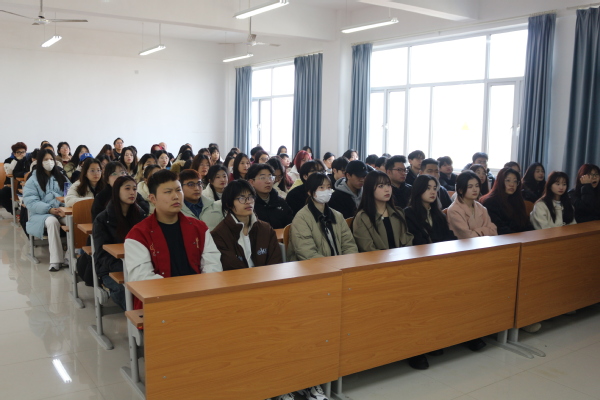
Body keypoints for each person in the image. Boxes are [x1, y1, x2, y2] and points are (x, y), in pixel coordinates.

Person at [124, 170, 222, 309]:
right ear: (153, 198)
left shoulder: (199, 228)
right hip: (160, 302)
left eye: (178, 190)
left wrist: (201, 290)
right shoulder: (138, 235)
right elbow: (142, 279)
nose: (176, 196)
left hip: (199, 296)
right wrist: (180, 293)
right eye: (168, 192)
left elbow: (213, 264)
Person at [93, 176, 147, 310]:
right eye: (127, 188)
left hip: (137, 264)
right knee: (124, 291)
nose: (132, 192)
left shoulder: (140, 215)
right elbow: (101, 255)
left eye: (134, 189)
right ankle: (140, 320)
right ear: (117, 191)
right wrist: (125, 267)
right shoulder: (102, 219)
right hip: (110, 268)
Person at [211, 180, 282, 270]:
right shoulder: (219, 234)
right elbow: (230, 266)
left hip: (267, 277)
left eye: (250, 197)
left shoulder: (265, 229)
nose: (248, 202)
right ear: (228, 204)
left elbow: (275, 261)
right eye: (241, 198)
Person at [287, 172, 358, 261]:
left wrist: (348, 262)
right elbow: (306, 252)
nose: (326, 191)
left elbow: (349, 244)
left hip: (340, 265)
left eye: (328, 187)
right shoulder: (301, 218)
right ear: (310, 192)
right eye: (321, 187)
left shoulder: (337, 216)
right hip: (314, 266)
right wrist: (331, 266)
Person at [23, 149, 68, 272]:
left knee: (74, 220)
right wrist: (49, 209)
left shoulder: (61, 177)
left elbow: (69, 194)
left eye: (51, 159)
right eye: (46, 159)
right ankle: (56, 260)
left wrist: (63, 207)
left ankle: (70, 256)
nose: (49, 162)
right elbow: (31, 202)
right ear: (40, 162)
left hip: (60, 210)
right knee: (52, 221)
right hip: (41, 214)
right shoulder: (33, 180)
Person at [352, 171, 413, 252]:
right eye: (381, 186)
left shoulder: (398, 213)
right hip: (377, 259)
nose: (387, 189)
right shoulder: (362, 217)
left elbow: (408, 240)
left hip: (401, 257)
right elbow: (367, 248)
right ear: (370, 189)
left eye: (388, 185)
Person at [404, 174, 457, 246]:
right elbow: (417, 240)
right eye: (428, 188)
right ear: (419, 189)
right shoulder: (409, 213)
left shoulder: (439, 214)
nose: (433, 192)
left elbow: (449, 236)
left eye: (434, 189)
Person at [480, 168, 533, 234]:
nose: (512, 184)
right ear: (500, 182)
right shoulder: (490, 202)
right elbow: (499, 228)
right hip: (502, 238)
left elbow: (525, 223)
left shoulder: (517, 200)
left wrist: (532, 234)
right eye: (508, 180)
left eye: (515, 181)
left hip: (520, 237)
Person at [447, 171, 497, 238]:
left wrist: (475, 232)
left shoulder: (480, 207)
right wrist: (484, 230)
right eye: (470, 187)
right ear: (460, 190)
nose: (475, 189)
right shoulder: (454, 210)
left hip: (484, 243)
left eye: (477, 186)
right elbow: (467, 236)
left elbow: (493, 231)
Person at [247, 164, 294, 229]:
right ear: (251, 182)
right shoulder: (248, 204)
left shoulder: (280, 202)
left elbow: (290, 225)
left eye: (270, 177)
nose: (268, 181)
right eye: (263, 178)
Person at [1, 142, 31, 214]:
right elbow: (9, 172)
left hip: (24, 184)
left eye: (23, 152)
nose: (21, 154)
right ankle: (14, 211)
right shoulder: (8, 160)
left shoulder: (28, 161)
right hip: (10, 185)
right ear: (14, 153)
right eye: (18, 152)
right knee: (2, 194)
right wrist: (17, 160)